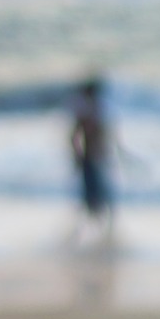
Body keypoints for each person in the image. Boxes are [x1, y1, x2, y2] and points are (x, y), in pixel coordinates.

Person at [69, 77, 114, 237]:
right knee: (93, 194)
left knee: (96, 194)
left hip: (96, 158)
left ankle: (99, 228)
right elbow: (75, 136)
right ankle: (97, 229)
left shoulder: (94, 110)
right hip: (91, 159)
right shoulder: (89, 112)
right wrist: (78, 156)